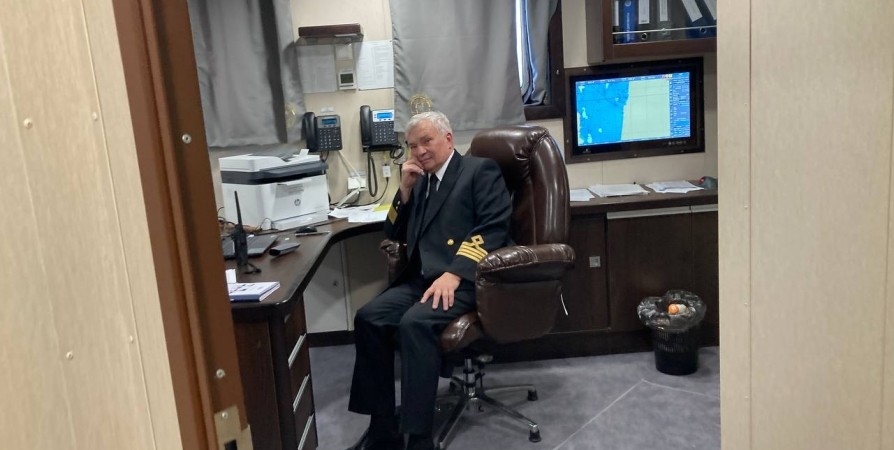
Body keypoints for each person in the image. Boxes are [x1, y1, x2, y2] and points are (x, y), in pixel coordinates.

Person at [345, 111, 512, 450]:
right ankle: (383, 428)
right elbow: (392, 230)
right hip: (421, 280)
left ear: (448, 139)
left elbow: (492, 228)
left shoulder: (478, 171)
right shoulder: (421, 180)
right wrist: (404, 191)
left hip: (465, 280)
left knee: (415, 324)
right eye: (412, 146)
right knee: (368, 318)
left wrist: (455, 272)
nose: (419, 151)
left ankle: (419, 436)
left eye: (426, 141)